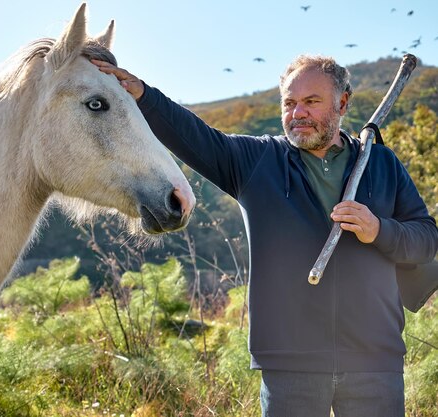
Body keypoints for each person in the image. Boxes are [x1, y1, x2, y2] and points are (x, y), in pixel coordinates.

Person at [93, 55, 438, 417]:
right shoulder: (256, 160)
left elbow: (426, 240)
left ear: (343, 103)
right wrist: (144, 95)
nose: (297, 113)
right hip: (290, 364)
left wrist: (378, 229)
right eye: (289, 103)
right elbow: (195, 136)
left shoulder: (382, 163)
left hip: (374, 360)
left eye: (311, 102)